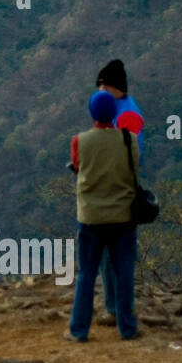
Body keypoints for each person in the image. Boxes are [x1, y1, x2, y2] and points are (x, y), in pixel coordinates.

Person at [66, 90, 141, 342]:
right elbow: (134, 169)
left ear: (92, 113)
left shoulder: (80, 141)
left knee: (86, 274)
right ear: (114, 114)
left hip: (91, 218)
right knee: (124, 272)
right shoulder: (129, 140)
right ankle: (128, 328)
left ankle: (79, 330)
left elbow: (77, 167)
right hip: (123, 217)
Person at [95, 59, 144, 325]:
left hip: (119, 191)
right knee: (110, 255)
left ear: (116, 87)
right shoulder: (116, 110)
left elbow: (131, 156)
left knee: (115, 255)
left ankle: (118, 309)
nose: (100, 90)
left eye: (103, 85)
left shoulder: (127, 115)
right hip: (113, 189)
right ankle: (115, 307)